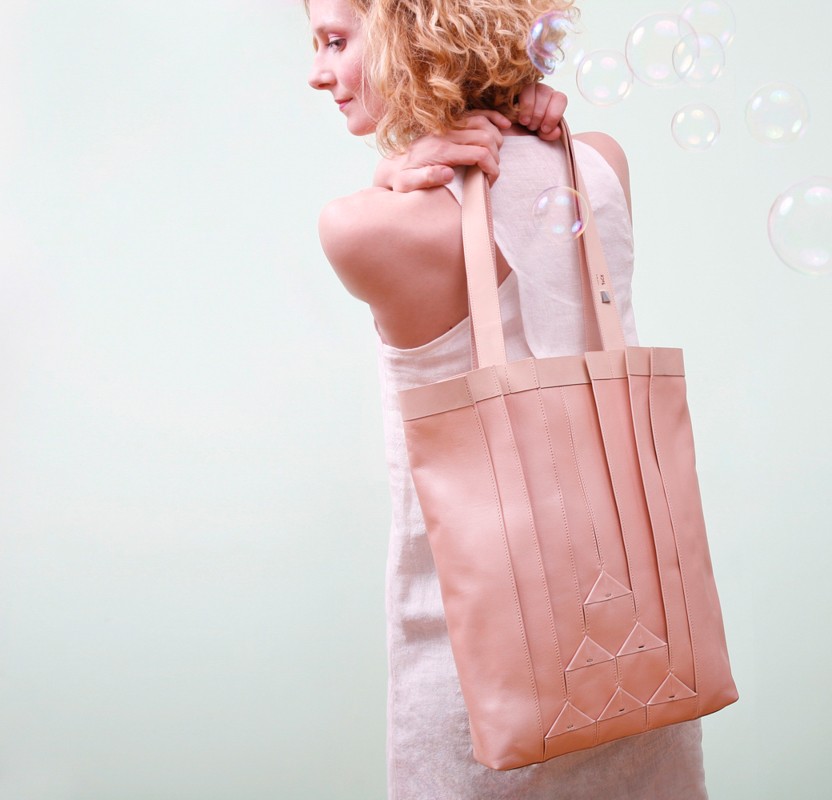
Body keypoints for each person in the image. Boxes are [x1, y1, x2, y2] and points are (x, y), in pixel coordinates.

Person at [305, 1, 708, 796]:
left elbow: (386, 220)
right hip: (640, 642)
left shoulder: (360, 228)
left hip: (481, 664)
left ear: (411, 32)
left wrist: (392, 173)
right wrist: (511, 106)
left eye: (336, 40)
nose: (318, 72)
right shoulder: (598, 164)